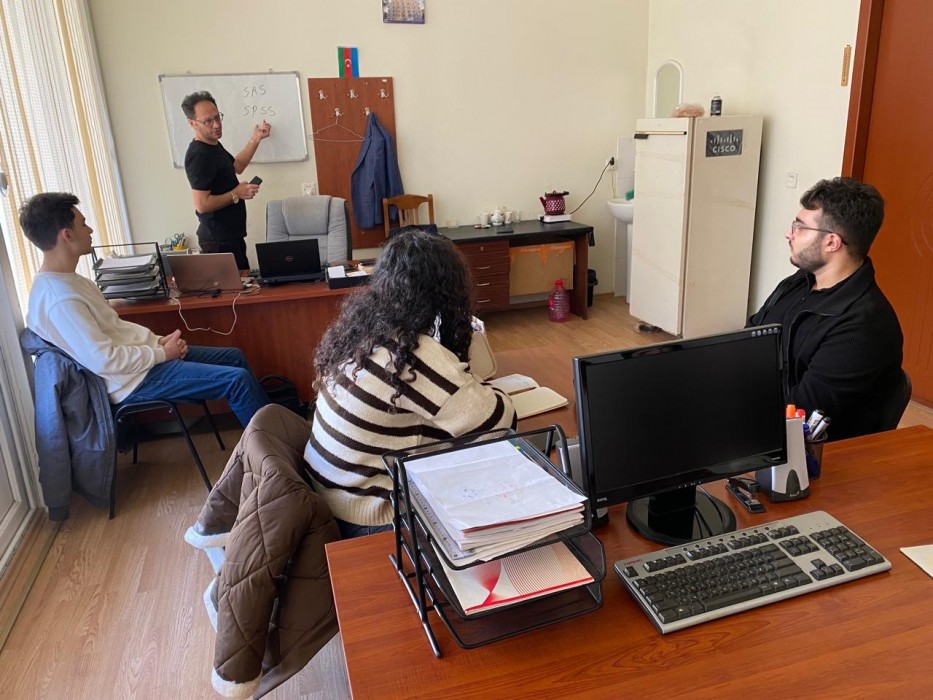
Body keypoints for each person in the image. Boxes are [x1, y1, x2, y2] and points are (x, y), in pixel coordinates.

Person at [303, 230, 516, 539]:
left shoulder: (363, 331)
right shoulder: (411, 354)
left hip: (333, 493)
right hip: (371, 515)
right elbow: (498, 421)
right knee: (504, 484)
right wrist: (473, 381)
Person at [20, 192, 269, 427]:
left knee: (234, 357)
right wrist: (162, 354)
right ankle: (270, 448)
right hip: (131, 381)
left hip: (144, 362)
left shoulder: (72, 281)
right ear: (67, 235)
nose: (90, 230)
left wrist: (158, 343)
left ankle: (276, 430)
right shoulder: (60, 300)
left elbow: (116, 330)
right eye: (83, 224)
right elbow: (105, 360)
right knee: (236, 381)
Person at [748, 177, 903, 440]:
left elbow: (800, 414)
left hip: (814, 451)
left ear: (832, 242)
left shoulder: (863, 326)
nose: (789, 234)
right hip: (761, 413)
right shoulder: (800, 282)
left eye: (800, 227)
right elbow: (751, 336)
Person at [181, 91, 271, 270]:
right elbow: (201, 204)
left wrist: (255, 138)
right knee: (235, 288)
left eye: (217, 117)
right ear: (192, 123)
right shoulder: (199, 155)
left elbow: (237, 166)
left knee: (244, 284)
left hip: (231, 236)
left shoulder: (213, 145)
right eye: (208, 121)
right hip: (218, 241)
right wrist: (236, 194)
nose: (216, 125)